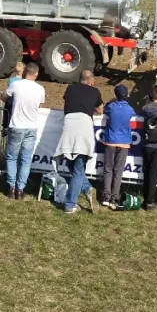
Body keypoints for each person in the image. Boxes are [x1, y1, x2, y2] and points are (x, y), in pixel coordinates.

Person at [57, 70, 103, 214]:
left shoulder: (70, 88)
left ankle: (87, 188)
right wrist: (92, 108)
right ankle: (70, 204)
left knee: (70, 161)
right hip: (84, 126)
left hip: (69, 124)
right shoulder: (95, 91)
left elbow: (69, 102)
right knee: (78, 167)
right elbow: (100, 110)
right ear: (91, 82)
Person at [4, 62, 45, 200]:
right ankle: (20, 189)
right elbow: (40, 104)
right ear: (36, 74)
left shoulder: (16, 84)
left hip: (16, 125)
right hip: (31, 126)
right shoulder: (40, 89)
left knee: (12, 157)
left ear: (24, 72)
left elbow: (4, 97)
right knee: (26, 159)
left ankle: (11, 186)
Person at [101, 84, 136, 209]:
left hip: (110, 141)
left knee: (108, 169)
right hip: (124, 142)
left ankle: (106, 196)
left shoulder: (111, 107)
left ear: (115, 95)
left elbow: (103, 109)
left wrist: (111, 101)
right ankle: (114, 198)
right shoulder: (130, 109)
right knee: (118, 171)